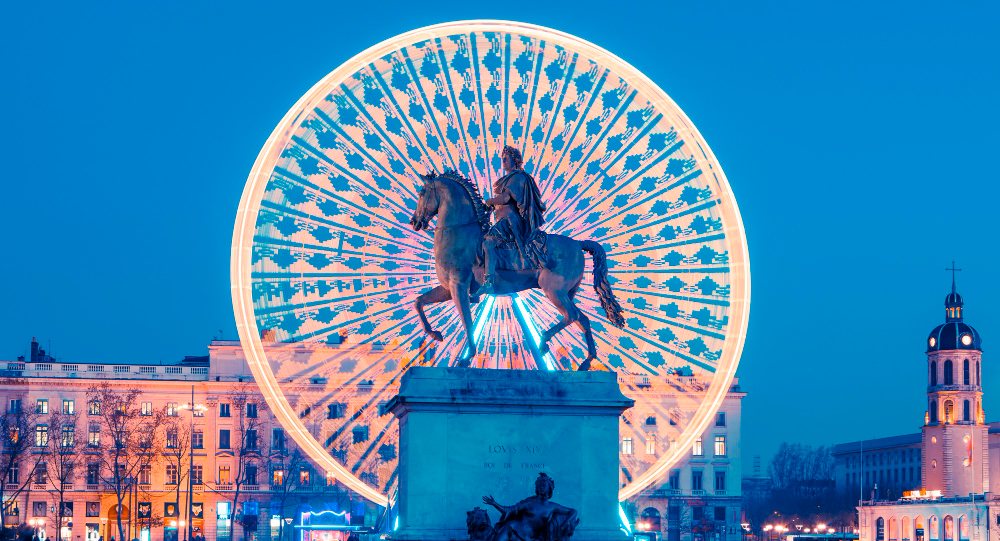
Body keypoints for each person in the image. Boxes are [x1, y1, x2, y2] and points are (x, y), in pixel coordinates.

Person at [477, 145, 547, 295]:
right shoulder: (511, 178)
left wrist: (490, 201)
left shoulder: (518, 177)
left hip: (510, 221)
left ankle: (488, 281)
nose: (503, 162)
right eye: (502, 159)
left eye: (505, 159)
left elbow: (506, 198)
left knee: (488, 243)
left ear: (515, 160)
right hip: (503, 220)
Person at [482, 473, 579, 541]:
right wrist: (494, 503)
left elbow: (573, 511)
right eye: (539, 485)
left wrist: (564, 524)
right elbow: (509, 510)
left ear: (549, 488)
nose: (540, 487)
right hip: (512, 529)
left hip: (531, 537)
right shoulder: (529, 502)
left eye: (543, 485)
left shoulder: (552, 506)